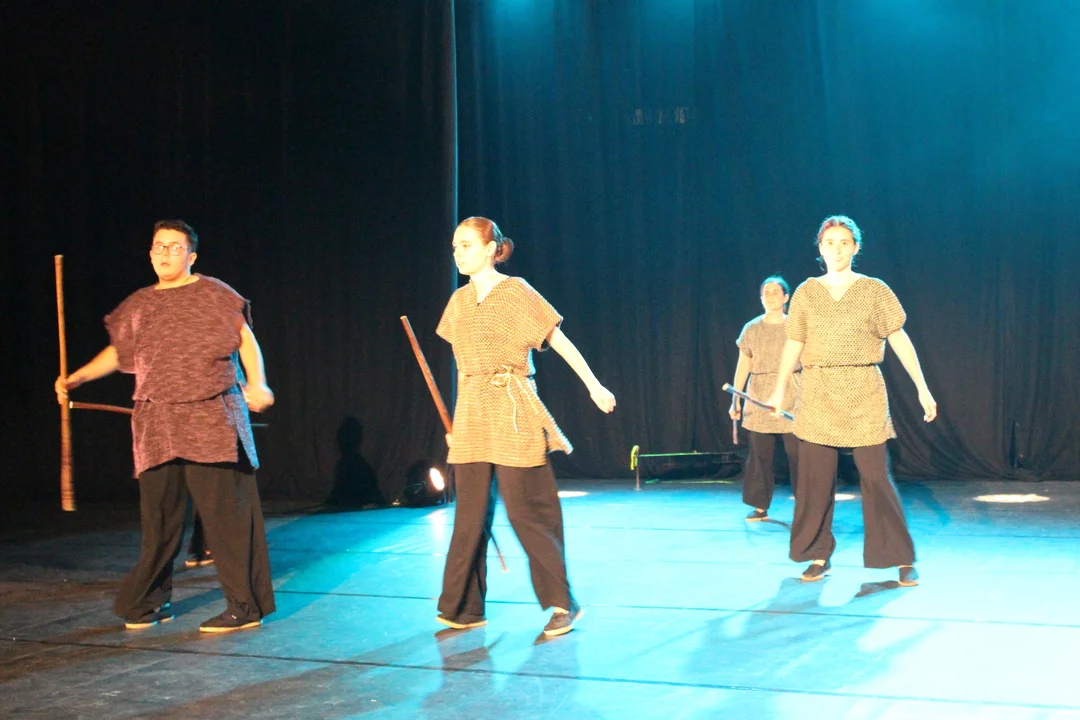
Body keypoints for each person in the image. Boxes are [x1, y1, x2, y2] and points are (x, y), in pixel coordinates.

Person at [54, 219, 276, 632]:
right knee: (158, 522)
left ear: (191, 256)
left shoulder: (213, 292)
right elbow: (119, 352)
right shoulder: (140, 303)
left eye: (174, 247)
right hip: (157, 423)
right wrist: (77, 378)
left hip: (210, 417)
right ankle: (149, 602)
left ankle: (245, 607)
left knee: (226, 519)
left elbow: (245, 339)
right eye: (159, 246)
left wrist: (258, 382)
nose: (164, 253)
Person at [436, 217, 616, 637]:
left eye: (466, 245)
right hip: (473, 411)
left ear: (490, 249)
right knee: (469, 517)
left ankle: (562, 603)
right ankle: (463, 608)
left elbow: (559, 340)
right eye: (455, 246)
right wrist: (458, 423)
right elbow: (462, 368)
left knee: (527, 510)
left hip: (512, 405)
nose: (458, 252)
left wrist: (594, 385)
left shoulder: (517, 291)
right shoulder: (458, 303)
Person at [764, 215, 937, 586]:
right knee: (814, 479)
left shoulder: (875, 290)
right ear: (820, 248)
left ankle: (898, 557)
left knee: (875, 477)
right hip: (818, 390)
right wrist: (779, 388)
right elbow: (794, 342)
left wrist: (922, 387)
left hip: (863, 389)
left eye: (844, 242)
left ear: (856, 247)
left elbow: (898, 337)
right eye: (830, 242)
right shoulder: (807, 292)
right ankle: (817, 554)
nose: (837, 249)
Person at [728, 276, 799, 522]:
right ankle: (760, 505)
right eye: (765, 292)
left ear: (786, 297)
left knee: (799, 454)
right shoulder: (751, 328)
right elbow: (744, 365)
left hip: (792, 393)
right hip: (758, 393)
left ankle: (806, 505)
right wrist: (735, 399)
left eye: (775, 291)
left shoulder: (795, 326)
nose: (770, 296)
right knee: (760, 455)